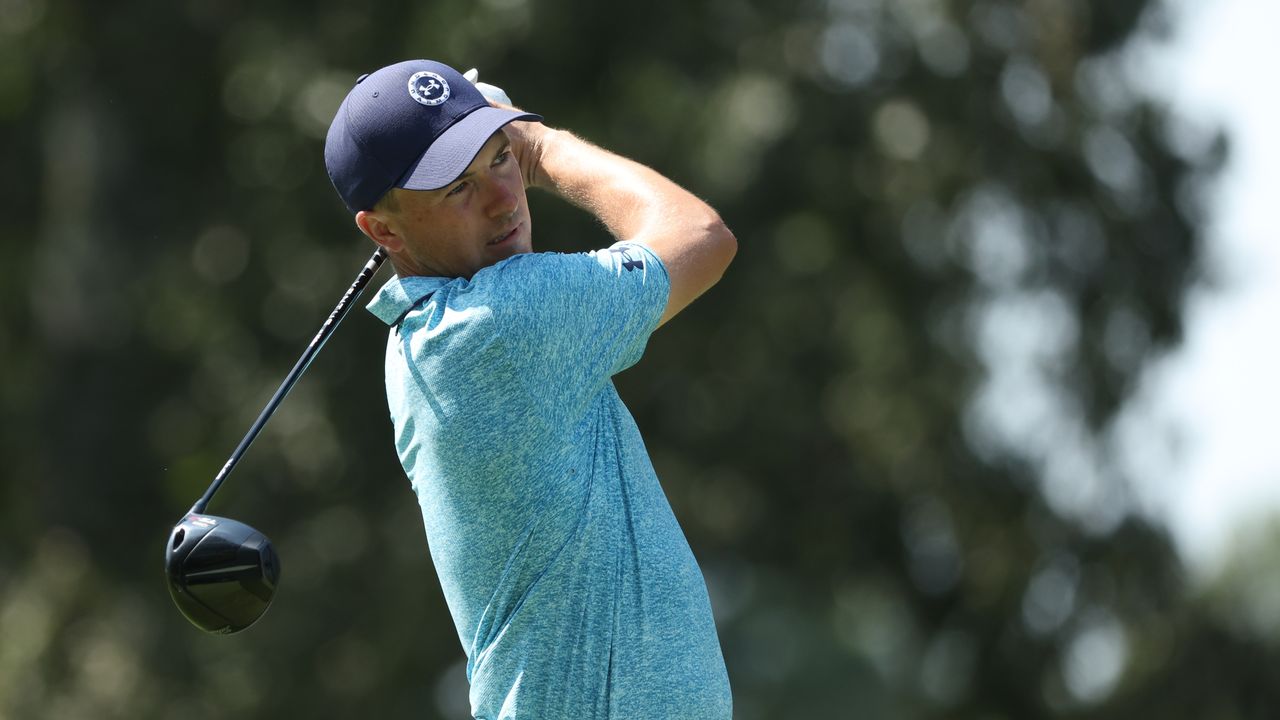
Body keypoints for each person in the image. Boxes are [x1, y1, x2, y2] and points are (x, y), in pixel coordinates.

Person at [324, 59, 736, 719]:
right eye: (458, 187)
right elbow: (701, 237)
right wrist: (541, 147)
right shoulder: (503, 324)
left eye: (499, 160)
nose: (503, 198)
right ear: (384, 231)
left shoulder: (425, 338)